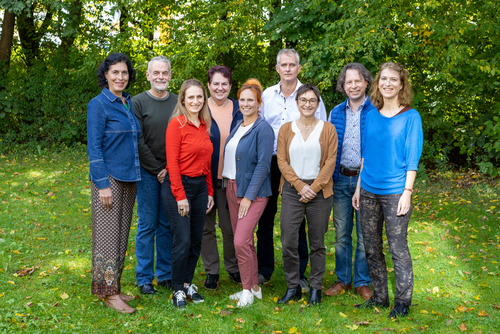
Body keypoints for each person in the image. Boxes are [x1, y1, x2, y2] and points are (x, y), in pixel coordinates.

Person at [352, 62, 423, 319]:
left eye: (394, 79)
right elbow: (365, 155)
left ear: (401, 84)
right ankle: (380, 298)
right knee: (371, 247)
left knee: (398, 248)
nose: (388, 83)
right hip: (369, 189)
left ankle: (402, 301)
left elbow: (412, 159)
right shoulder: (371, 115)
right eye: (384, 79)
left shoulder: (411, 117)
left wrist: (408, 191)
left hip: (396, 193)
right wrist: (359, 188)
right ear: (378, 83)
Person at [260, 48, 327, 289]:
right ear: (277, 69)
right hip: (269, 163)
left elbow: (323, 133)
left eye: (292, 65)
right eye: (283, 65)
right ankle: (264, 270)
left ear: (299, 68)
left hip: (300, 167)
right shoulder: (266, 96)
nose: (288, 69)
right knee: (265, 218)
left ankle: (299, 274)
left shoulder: (310, 97)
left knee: (298, 221)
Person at [87, 53, 140, 314]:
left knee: (120, 235)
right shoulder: (99, 105)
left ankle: (114, 286)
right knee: (108, 236)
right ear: (106, 75)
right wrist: (102, 184)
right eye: (115, 72)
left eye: (124, 72)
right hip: (109, 179)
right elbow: (94, 148)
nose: (120, 77)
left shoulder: (127, 102)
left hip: (130, 177)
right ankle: (109, 294)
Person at [277, 84, 338, 305]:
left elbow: (331, 161)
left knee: (317, 243)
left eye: (312, 100)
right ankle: (293, 286)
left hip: (320, 192)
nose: (307, 104)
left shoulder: (328, 129)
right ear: (297, 103)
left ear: (318, 103)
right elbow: (281, 160)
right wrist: (299, 186)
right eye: (303, 100)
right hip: (293, 191)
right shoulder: (286, 129)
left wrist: (314, 187)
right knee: (288, 242)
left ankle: (315, 288)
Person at [161, 79, 215, 309]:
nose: (195, 101)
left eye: (199, 97)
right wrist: (180, 196)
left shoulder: (204, 124)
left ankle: (187, 284)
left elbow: (207, 161)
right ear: (183, 99)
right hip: (178, 187)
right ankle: (176, 290)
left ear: (204, 99)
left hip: (201, 187)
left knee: (195, 240)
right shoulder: (177, 124)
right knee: (182, 240)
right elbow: (172, 163)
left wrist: (210, 190)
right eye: (190, 97)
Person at [325, 63, 376, 300]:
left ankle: (362, 282)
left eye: (357, 81)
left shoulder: (376, 111)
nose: (353, 85)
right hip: (340, 179)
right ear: (342, 86)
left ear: (366, 82)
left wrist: (363, 180)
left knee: (365, 234)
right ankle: (343, 279)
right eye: (348, 82)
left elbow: (375, 150)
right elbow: (329, 149)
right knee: (341, 234)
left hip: (366, 180)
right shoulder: (335, 112)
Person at [224, 79, 274, 307]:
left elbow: (264, 166)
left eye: (250, 100)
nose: (245, 104)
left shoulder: (263, 128)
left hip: (253, 192)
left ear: (258, 103)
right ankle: (254, 287)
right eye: (242, 100)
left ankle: (245, 290)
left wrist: (248, 197)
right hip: (231, 188)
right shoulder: (239, 125)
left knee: (241, 242)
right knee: (246, 243)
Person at [132, 56, 177, 295]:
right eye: (156, 73)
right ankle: (145, 277)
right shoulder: (137, 102)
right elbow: (137, 139)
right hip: (147, 173)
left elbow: (184, 138)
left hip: (173, 172)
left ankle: (166, 274)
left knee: (166, 224)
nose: (161, 77)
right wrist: (157, 169)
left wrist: (169, 169)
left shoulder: (179, 102)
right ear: (148, 75)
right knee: (147, 224)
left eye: (165, 73)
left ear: (170, 75)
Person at [201, 66, 243, 290]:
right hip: (203, 179)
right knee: (206, 227)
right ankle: (211, 271)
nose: (220, 88)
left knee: (230, 227)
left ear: (230, 86)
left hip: (230, 180)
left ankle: (233, 267)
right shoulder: (199, 107)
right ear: (208, 85)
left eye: (224, 84)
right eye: (216, 83)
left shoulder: (239, 108)